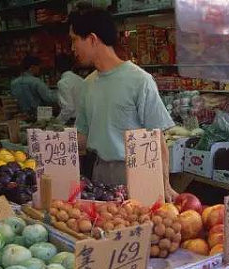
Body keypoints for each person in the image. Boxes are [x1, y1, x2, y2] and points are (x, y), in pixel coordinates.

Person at [68, 3, 177, 200]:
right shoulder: (87, 84)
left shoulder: (139, 80)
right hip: (99, 174)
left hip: (134, 173)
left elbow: (157, 138)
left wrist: (164, 184)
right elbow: (83, 135)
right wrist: (50, 146)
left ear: (92, 39)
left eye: (75, 40)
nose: (72, 47)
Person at [55, 53, 84, 124]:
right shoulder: (80, 79)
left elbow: (68, 108)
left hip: (71, 121)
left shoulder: (62, 83)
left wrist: (57, 122)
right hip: (83, 120)